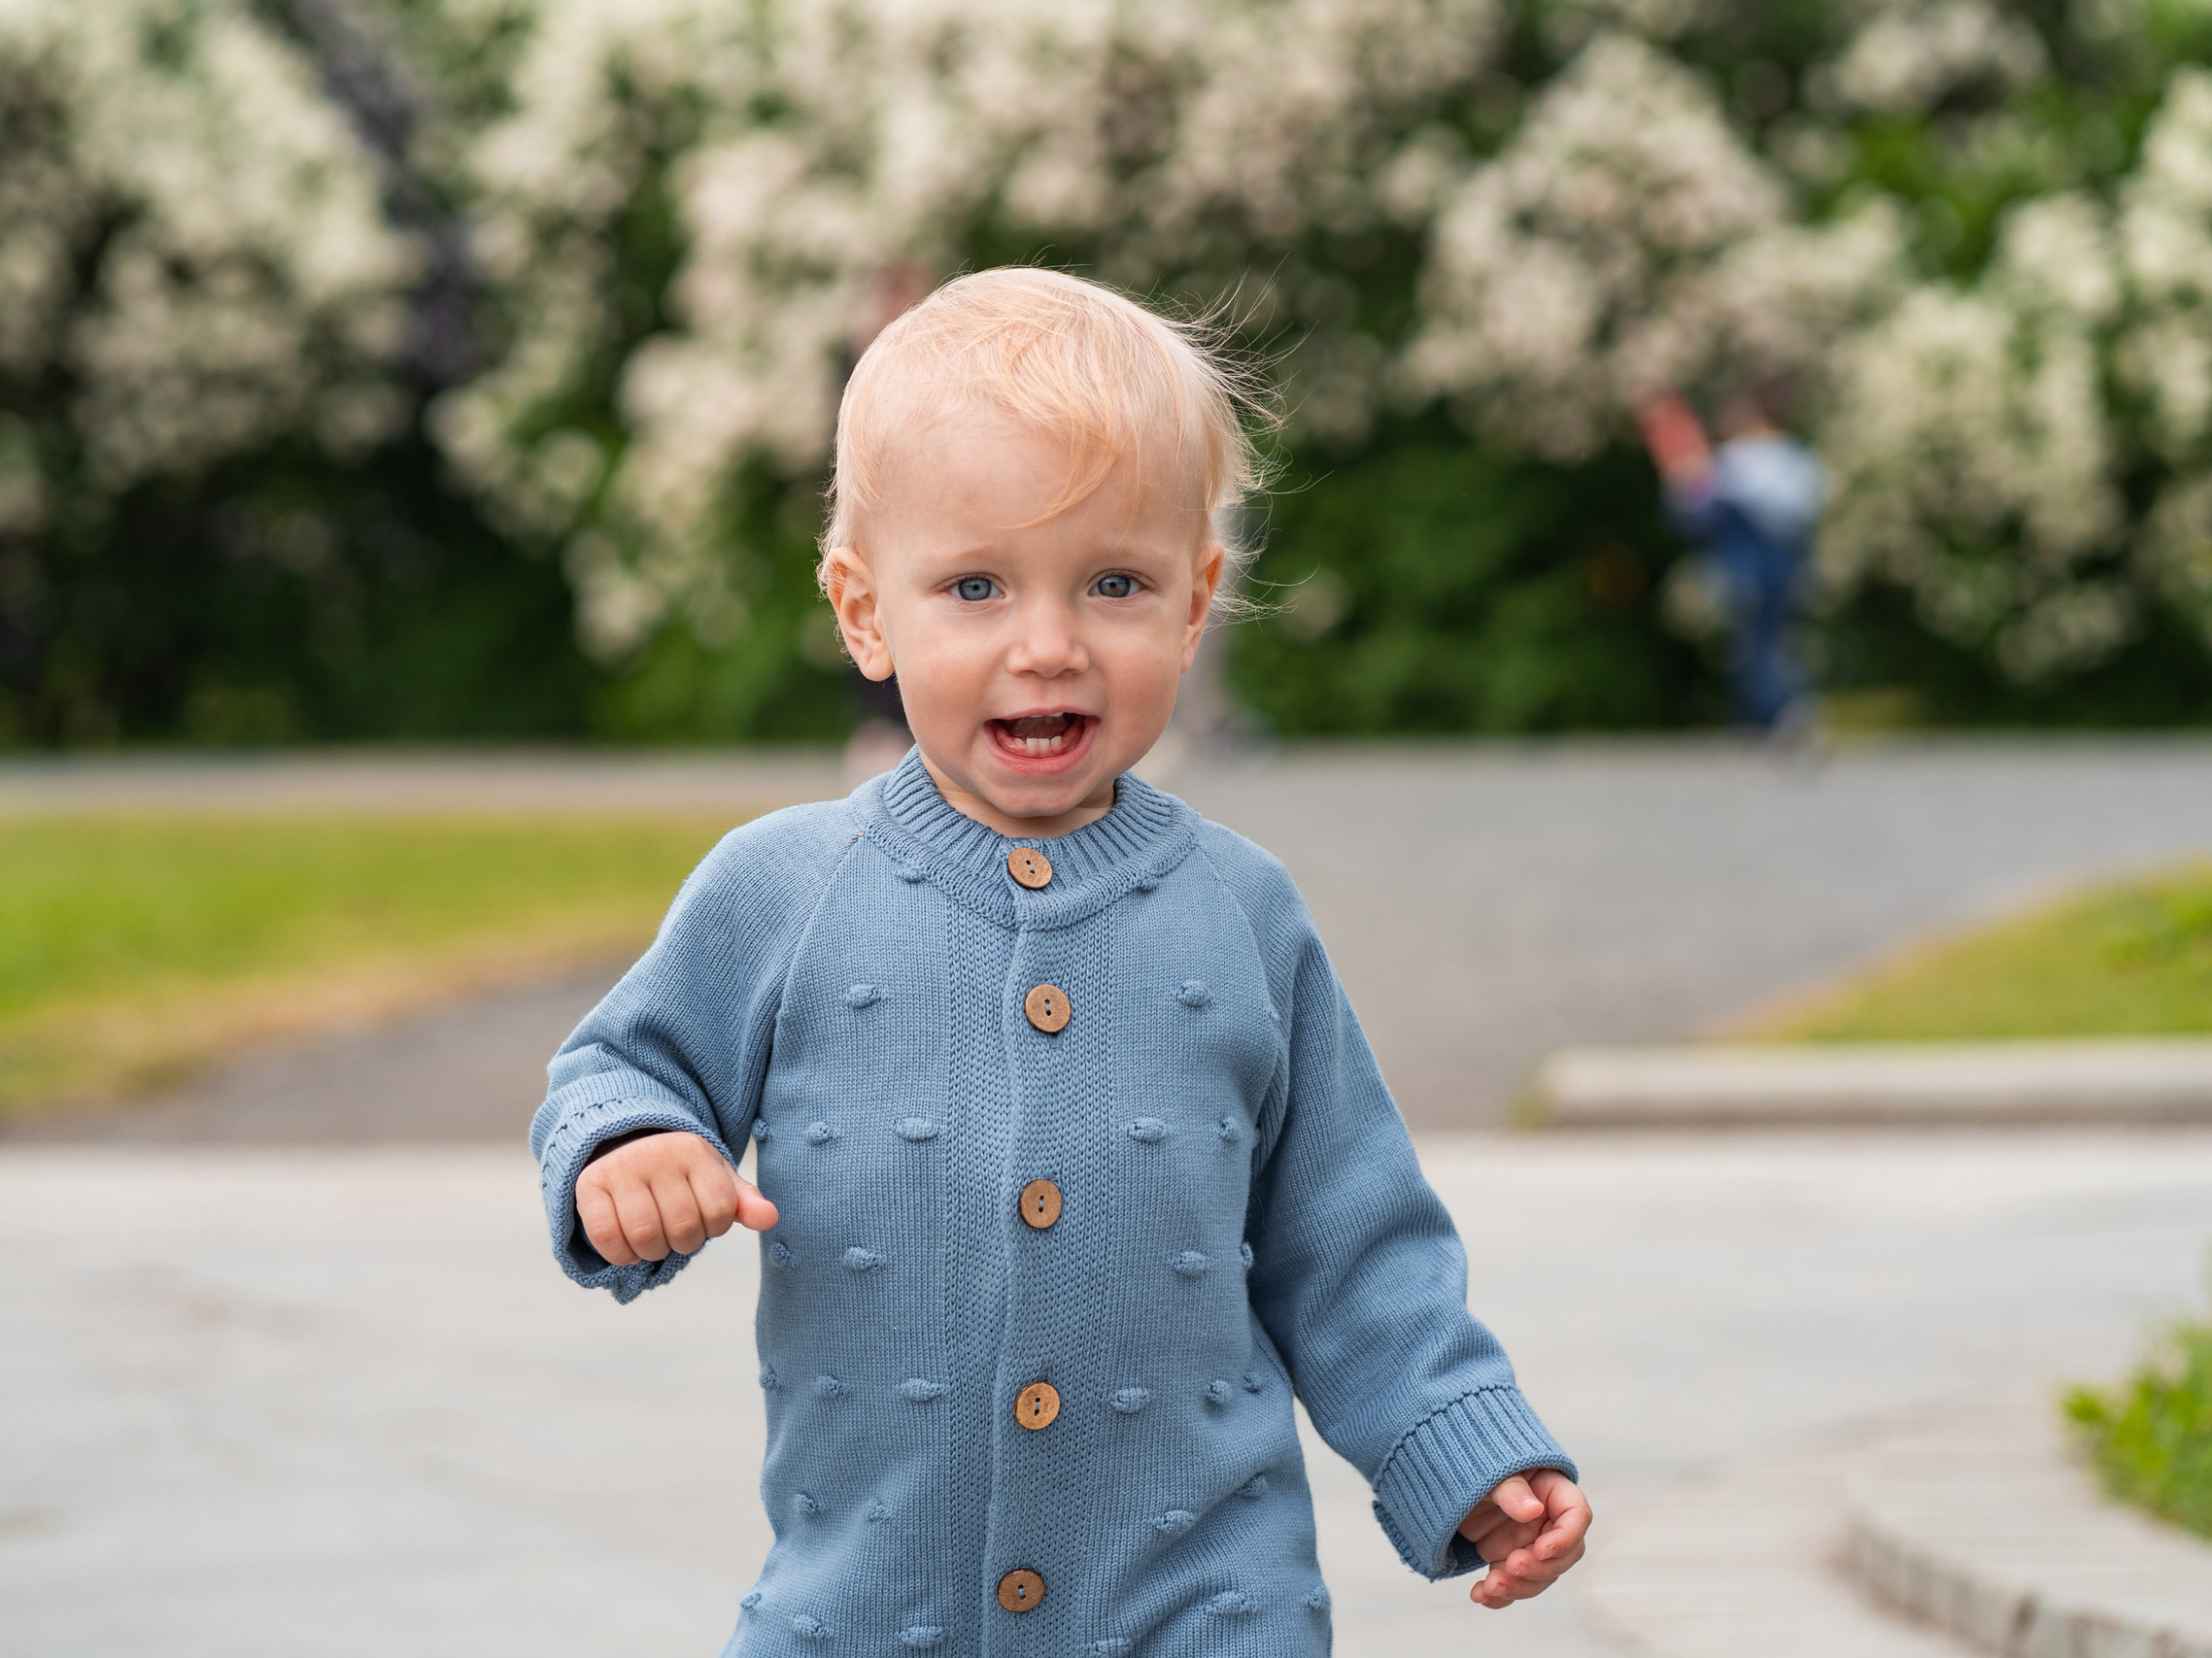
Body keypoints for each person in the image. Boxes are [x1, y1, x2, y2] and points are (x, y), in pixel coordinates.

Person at [532, 268, 1589, 1655]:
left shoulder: (1245, 915)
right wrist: (632, 1149)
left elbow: (1353, 1233)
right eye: (974, 585)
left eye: (1115, 583)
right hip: (867, 1606)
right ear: (863, 611)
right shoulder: (779, 889)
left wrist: (1461, 1444)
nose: (1049, 646)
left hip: (1205, 1602)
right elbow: (617, 1067)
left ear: (1198, 600)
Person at [1635, 382, 1824, 732]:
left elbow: (1695, 515)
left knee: (1756, 645)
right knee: (1776, 642)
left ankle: (1772, 714)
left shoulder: (1736, 463)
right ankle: (1772, 714)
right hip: (1786, 569)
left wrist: (1682, 487)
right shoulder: (1797, 460)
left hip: (1752, 571)